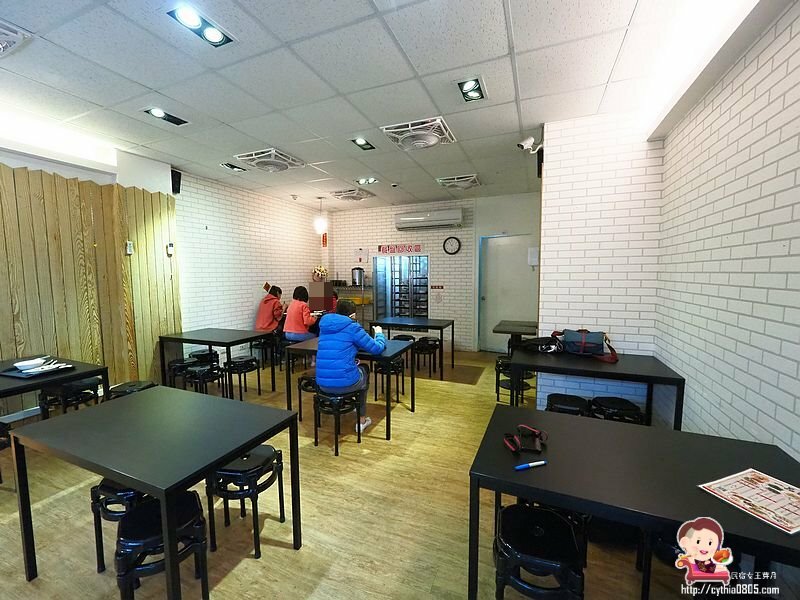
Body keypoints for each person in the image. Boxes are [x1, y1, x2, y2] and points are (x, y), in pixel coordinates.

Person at [316, 300, 385, 432]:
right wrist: (379, 334)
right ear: (352, 315)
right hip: (345, 384)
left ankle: (348, 404)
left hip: (322, 385)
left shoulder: (324, 326)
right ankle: (361, 420)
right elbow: (376, 348)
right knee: (364, 370)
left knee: (343, 369)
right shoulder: (353, 327)